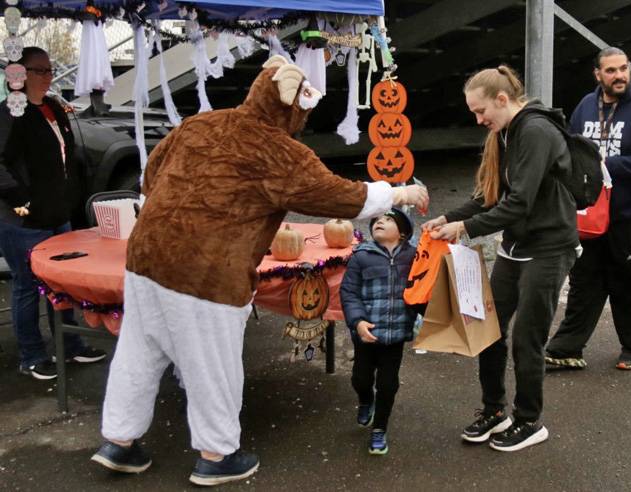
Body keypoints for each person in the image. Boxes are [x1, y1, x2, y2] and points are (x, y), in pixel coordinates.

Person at [90, 55, 428, 486]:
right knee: (211, 363)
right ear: (291, 108)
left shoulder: (200, 124)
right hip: (207, 271)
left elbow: (151, 176)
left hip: (146, 255)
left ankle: (118, 442)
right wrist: (397, 195)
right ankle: (216, 455)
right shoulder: (278, 150)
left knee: (138, 352)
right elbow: (340, 197)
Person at [423, 66, 578, 452]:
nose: (478, 120)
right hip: (515, 245)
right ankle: (495, 411)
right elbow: (490, 194)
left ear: (502, 99)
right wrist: (451, 217)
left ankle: (529, 421)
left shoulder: (536, 131)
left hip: (549, 246)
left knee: (528, 336)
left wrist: (466, 229)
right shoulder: (505, 133)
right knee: (488, 328)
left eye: (480, 111)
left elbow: (520, 202)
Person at [545, 47, 631, 371]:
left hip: (627, 216)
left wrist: (608, 164)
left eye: (624, 69)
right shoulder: (587, 106)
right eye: (611, 70)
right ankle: (566, 349)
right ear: (598, 74)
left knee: (627, 284)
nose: (619, 76)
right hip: (588, 217)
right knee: (583, 283)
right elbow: (571, 150)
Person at [0, 46, 106, 380]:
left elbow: (66, 155)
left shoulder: (53, 109)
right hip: (22, 219)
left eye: (49, 70)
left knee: (61, 285)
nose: (48, 76)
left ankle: (72, 345)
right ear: (21, 74)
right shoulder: (10, 113)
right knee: (27, 286)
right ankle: (31, 355)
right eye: (40, 70)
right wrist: (23, 198)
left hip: (57, 213)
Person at [340, 208, 416, 456]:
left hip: (395, 336)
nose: (379, 222)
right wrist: (358, 322)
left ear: (403, 234)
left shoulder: (414, 257)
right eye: (376, 221)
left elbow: (425, 287)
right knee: (360, 378)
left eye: (387, 220)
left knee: (387, 384)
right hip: (366, 334)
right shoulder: (361, 256)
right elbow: (349, 293)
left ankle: (379, 429)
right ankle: (365, 400)